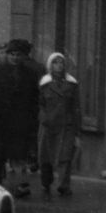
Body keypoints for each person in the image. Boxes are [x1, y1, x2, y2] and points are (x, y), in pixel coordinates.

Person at [0, 39, 39, 197]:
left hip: (20, 122)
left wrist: (33, 118)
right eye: (12, 54)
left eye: (18, 55)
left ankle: (21, 185)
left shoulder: (31, 74)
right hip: (0, 121)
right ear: (7, 55)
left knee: (19, 156)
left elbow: (34, 99)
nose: (15, 58)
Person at [38, 52, 81, 197]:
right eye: (55, 63)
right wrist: (44, 118)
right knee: (47, 156)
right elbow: (39, 104)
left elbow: (76, 107)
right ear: (50, 65)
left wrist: (77, 130)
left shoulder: (71, 84)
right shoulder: (44, 84)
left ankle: (63, 184)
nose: (59, 65)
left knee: (65, 156)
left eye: (61, 63)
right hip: (49, 125)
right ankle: (46, 180)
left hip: (66, 125)